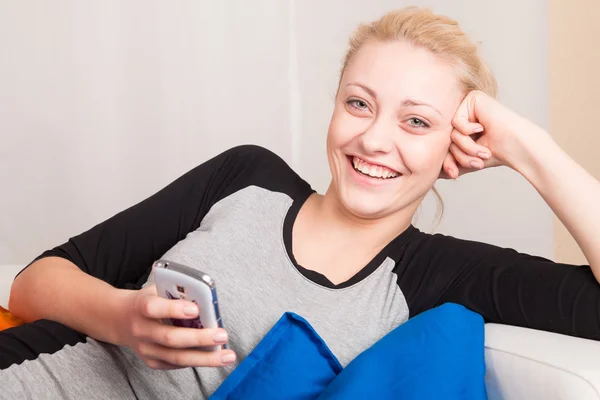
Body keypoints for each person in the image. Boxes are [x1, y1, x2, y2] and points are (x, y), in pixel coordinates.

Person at [2, 6, 600, 399]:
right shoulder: (247, 177)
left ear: (457, 146)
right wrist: (123, 318)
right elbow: (32, 283)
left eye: (416, 121)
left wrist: (530, 147)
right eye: (359, 104)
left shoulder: (437, 277)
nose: (373, 140)